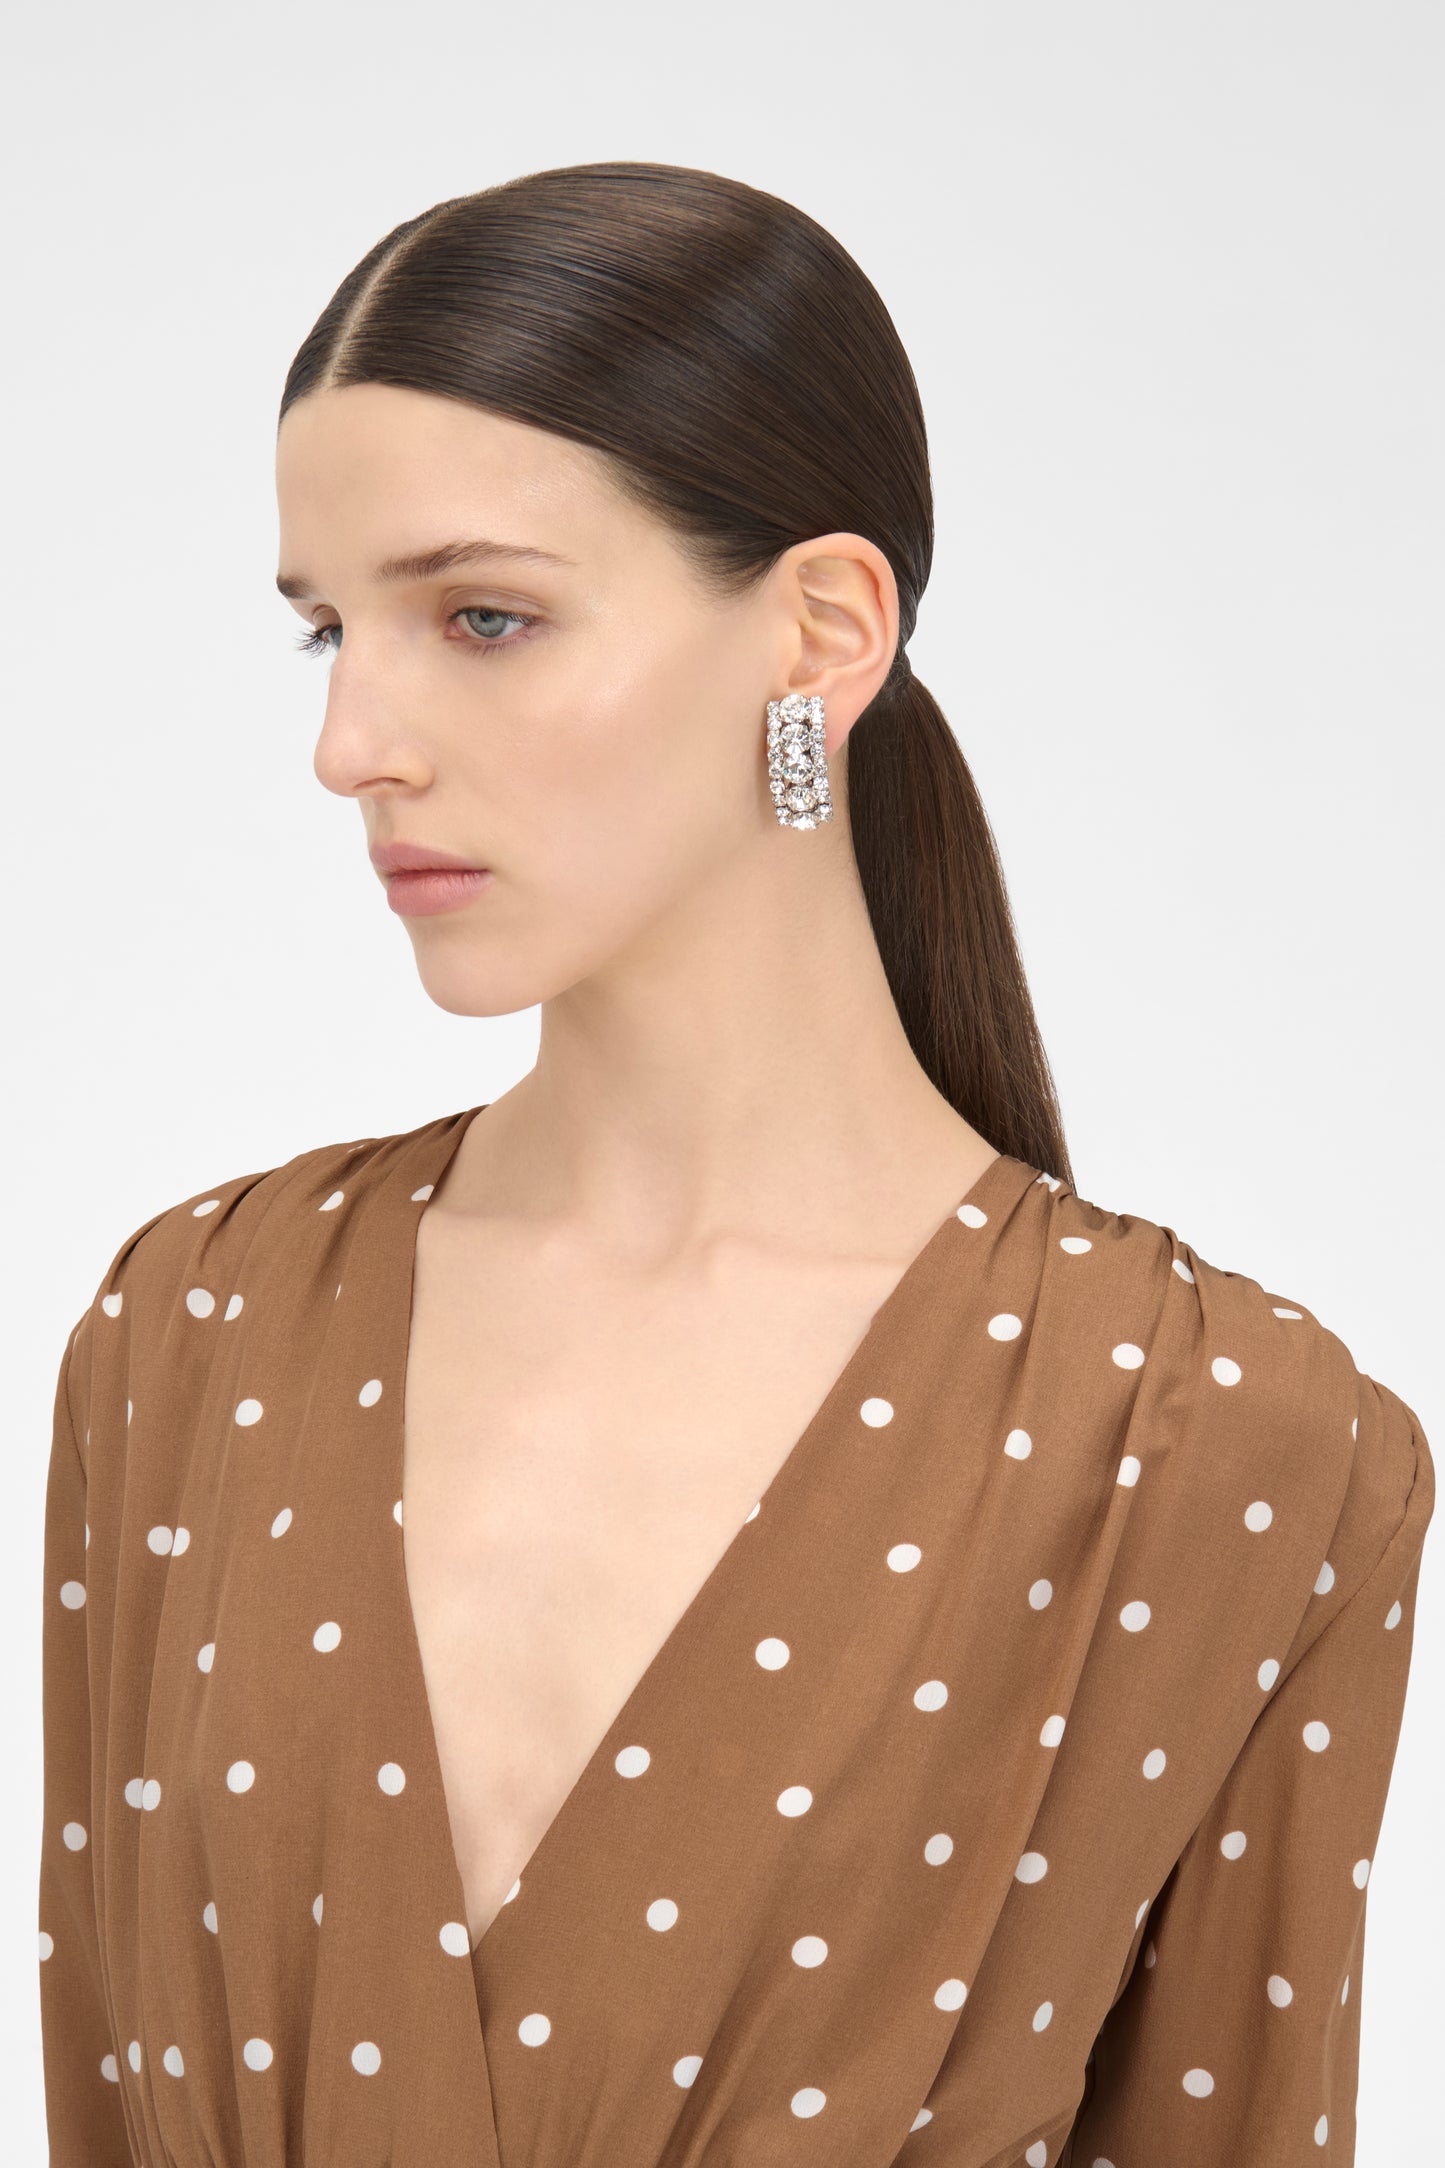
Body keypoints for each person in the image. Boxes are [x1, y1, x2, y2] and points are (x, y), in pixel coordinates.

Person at [38, 160, 1433, 2168]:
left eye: (483, 616)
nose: (352, 742)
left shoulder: (1222, 1445)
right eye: (326, 630)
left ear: (819, 630)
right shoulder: (196, 1331)